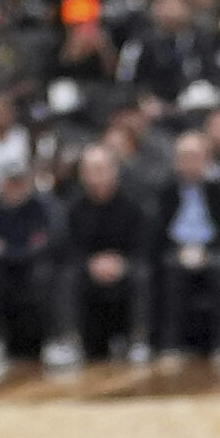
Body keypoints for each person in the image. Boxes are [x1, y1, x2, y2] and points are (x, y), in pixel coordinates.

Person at [53, 145, 151, 369]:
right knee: (66, 276)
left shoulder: (134, 203)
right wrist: (90, 264)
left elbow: (143, 246)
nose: (96, 176)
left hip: (126, 265)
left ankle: (139, 340)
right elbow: (68, 248)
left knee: (142, 274)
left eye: (100, 169)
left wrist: (121, 263)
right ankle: (69, 341)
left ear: (113, 170)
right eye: (90, 170)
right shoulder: (73, 207)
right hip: (87, 268)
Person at [151, 132, 220, 358]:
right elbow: (157, 232)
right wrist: (181, 251)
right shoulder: (164, 191)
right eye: (185, 157)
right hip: (175, 249)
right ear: (176, 161)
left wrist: (205, 252)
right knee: (170, 268)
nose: (191, 163)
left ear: (208, 160)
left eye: (196, 157)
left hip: (210, 250)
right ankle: (170, 344)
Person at [0, 164, 54, 379]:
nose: (16, 188)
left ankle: (52, 340)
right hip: (0, 270)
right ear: (2, 185)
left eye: (20, 183)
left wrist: (8, 250)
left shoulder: (40, 207)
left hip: (32, 267)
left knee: (45, 273)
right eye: (11, 183)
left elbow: (44, 244)